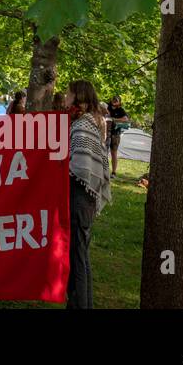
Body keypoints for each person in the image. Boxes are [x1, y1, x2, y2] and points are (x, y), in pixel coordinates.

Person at [65, 80, 110, 309]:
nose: (65, 97)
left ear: (77, 97)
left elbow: (81, 166)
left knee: (77, 260)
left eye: (68, 93)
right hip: (85, 200)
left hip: (79, 199)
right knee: (81, 258)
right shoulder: (90, 121)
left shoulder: (83, 125)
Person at [107, 95, 130, 175]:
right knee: (102, 151)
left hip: (115, 134)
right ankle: (102, 170)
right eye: (113, 99)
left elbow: (126, 119)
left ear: (119, 102)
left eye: (116, 100)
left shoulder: (120, 110)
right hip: (105, 133)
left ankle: (113, 172)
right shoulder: (107, 107)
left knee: (114, 153)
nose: (114, 101)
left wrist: (114, 119)